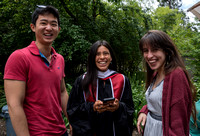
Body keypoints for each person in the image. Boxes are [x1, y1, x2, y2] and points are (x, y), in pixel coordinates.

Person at [4, 5, 69, 136]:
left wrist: (73, 121)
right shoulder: (19, 58)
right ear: (33, 27)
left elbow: (62, 92)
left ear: (58, 29)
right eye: (43, 23)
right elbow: (14, 104)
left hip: (61, 131)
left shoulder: (59, 59)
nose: (49, 28)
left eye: (53, 24)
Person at [67, 40, 134, 136]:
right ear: (92, 58)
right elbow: (73, 110)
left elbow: (129, 110)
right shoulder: (82, 80)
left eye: (106, 53)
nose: (102, 57)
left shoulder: (122, 80)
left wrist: (118, 107)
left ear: (111, 57)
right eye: (97, 54)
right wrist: (92, 107)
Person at [136, 30, 197, 136]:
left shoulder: (177, 75)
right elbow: (157, 102)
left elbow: (178, 123)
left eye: (155, 50)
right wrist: (144, 111)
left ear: (166, 51)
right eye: (146, 51)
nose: (149, 56)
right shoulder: (156, 74)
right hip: (150, 129)